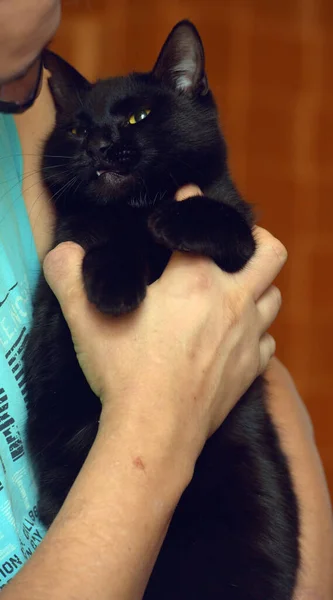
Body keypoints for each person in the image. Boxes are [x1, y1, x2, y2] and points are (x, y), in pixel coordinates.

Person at [0, 1, 332, 598]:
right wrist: (157, 415)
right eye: (11, 80)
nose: (29, 97)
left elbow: (244, 357)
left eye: (31, 78)